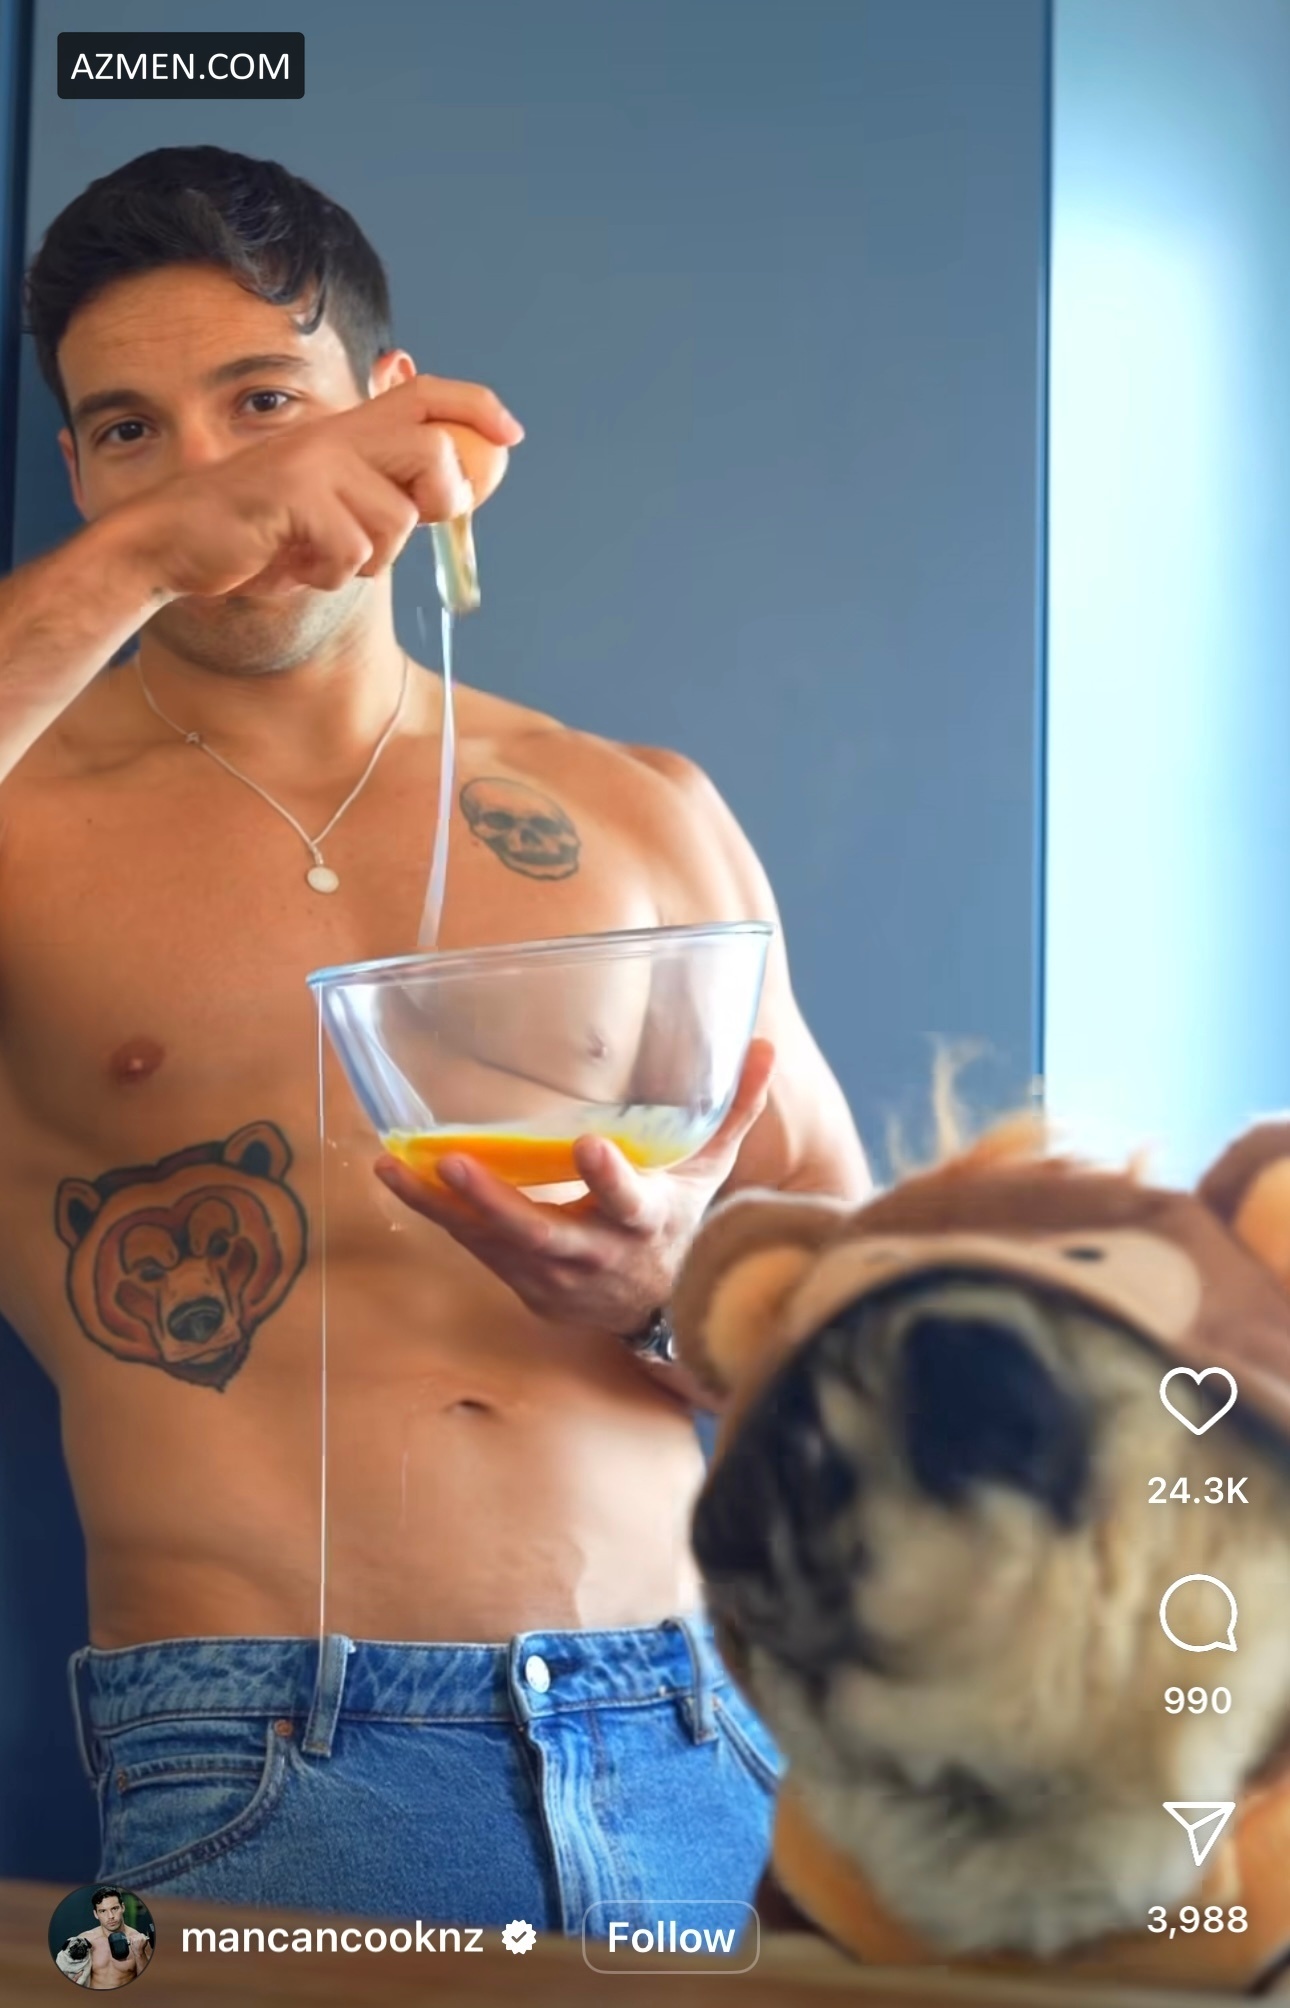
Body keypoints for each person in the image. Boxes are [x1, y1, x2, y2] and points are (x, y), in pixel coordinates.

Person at [2, 147, 870, 1929]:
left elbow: (871, 1337)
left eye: (265, 402)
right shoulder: (28, 814)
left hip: (700, 1731)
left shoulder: (641, 813)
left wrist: (664, 1291)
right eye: (132, 433)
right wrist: (159, 555)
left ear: (390, 412)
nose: (216, 470)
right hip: (275, 1751)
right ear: (79, 473)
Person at [55, 1889, 152, 1990]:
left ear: (122, 1907)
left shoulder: (140, 1941)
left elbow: (147, 1984)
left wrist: (139, 1953)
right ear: (96, 1914)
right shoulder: (85, 1941)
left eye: (114, 1908)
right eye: (103, 1911)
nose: (110, 1916)